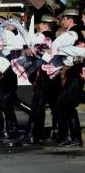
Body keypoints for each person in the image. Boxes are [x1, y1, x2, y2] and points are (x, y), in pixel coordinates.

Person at [17, 14, 62, 145]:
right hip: (55, 74)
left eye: (41, 24)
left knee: (37, 104)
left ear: (45, 25)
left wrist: (30, 49)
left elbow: (39, 47)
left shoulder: (44, 36)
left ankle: (32, 135)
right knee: (54, 104)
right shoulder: (55, 37)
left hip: (46, 74)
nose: (39, 26)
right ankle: (59, 132)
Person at [49, 7, 84, 148]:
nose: (62, 21)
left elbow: (58, 45)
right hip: (73, 73)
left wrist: (55, 49)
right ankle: (70, 137)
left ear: (70, 20)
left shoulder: (72, 34)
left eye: (63, 19)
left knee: (63, 104)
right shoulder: (75, 34)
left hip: (76, 73)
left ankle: (72, 137)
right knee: (66, 104)